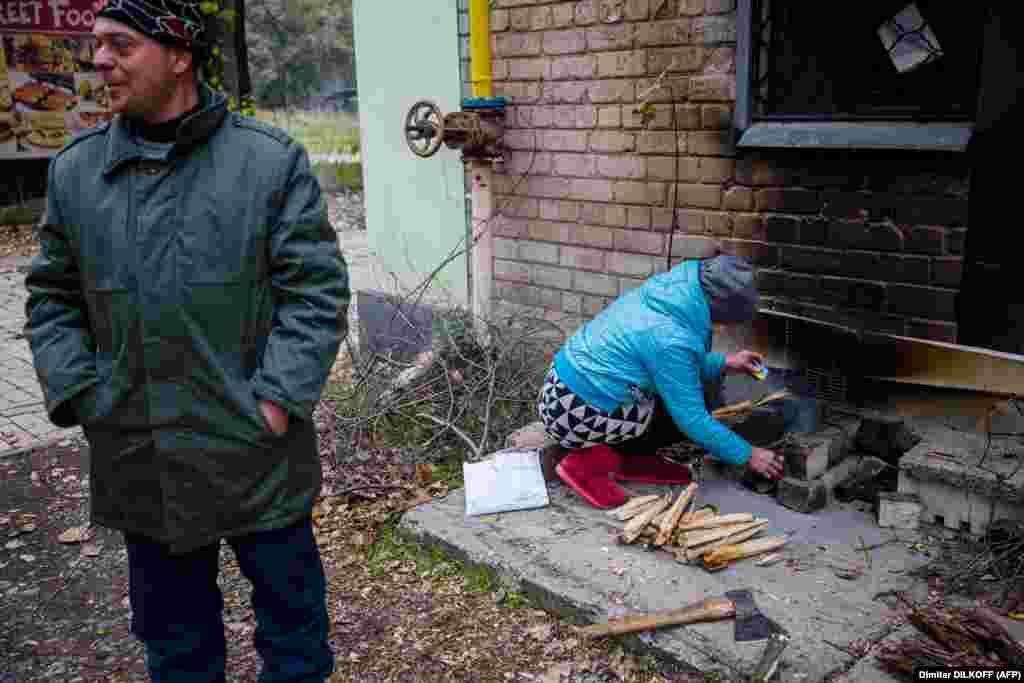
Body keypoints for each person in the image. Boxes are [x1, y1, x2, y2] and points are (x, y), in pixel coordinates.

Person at [22, 1, 349, 680]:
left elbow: (314, 293)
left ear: (179, 54)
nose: (100, 62)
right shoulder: (78, 173)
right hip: (143, 459)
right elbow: (52, 296)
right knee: (177, 653)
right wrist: (86, 394)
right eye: (97, 47)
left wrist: (278, 401)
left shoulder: (268, 163)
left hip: (259, 456)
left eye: (120, 44)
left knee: (296, 646)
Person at [538, 254, 784, 509]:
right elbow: (692, 418)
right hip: (578, 413)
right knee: (690, 407)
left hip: (560, 391)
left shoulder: (671, 291)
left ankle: (633, 456)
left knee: (683, 390)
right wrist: (749, 454)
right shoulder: (671, 337)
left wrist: (726, 363)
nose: (723, 327)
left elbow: (676, 363)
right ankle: (587, 465)